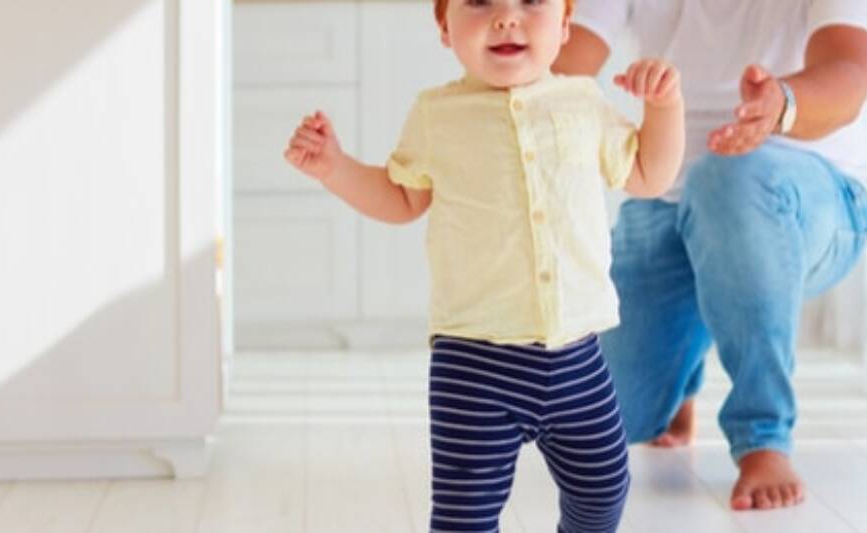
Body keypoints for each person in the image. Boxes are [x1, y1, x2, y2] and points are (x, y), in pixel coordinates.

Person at [283, 0, 686, 530]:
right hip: (474, 366)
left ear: (566, 25)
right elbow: (400, 199)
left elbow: (648, 175)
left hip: (577, 356)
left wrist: (664, 108)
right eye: (478, 2)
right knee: (465, 516)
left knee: (604, 486)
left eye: (532, 3)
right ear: (444, 28)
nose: (506, 17)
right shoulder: (437, 116)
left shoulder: (582, 103)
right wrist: (336, 168)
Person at [552, 0, 867, 511]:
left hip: (808, 195)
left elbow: (851, 71)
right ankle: (683, 370)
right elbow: (560, 68)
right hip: (669, 204)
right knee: (603, 420)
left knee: (725, 178)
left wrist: (783, 105)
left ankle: (763, 436)